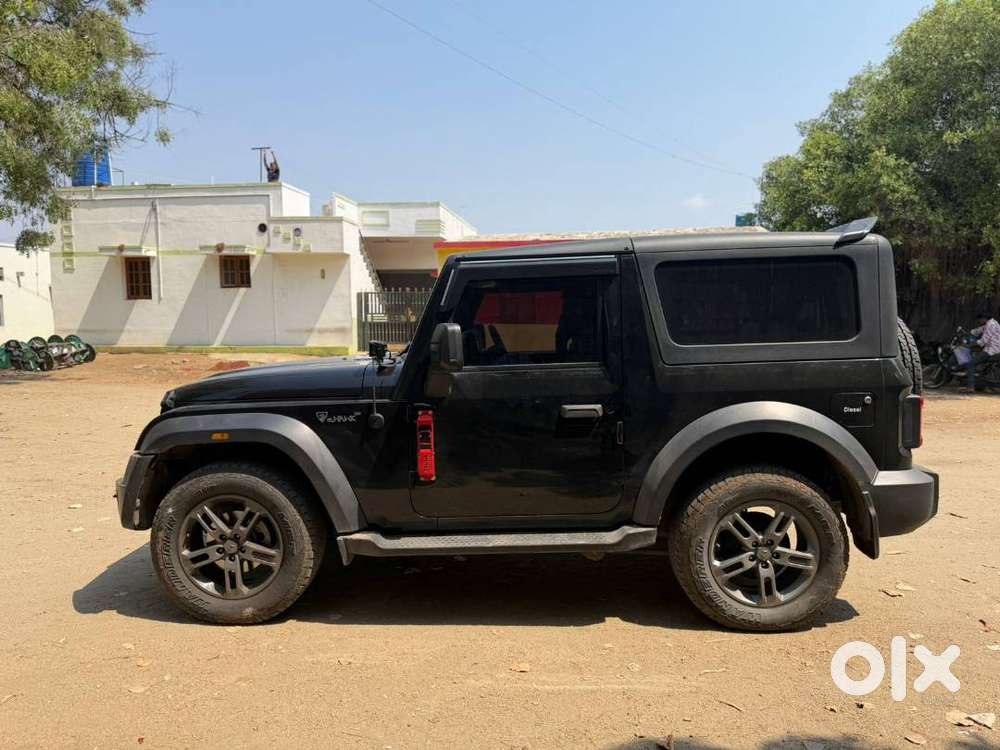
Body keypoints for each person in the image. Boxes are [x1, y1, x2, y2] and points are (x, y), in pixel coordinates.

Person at [962, 310, 1000, 392]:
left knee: (970, 364)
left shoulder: (991, 325)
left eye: (979, 320)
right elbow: (978, 330)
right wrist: (967, 333)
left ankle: (970, 387)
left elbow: (983, 341)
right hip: (992, 349)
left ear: (984, 318)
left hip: (992, 350)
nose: (979, 321)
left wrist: (970, 344)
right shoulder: (990, 323)